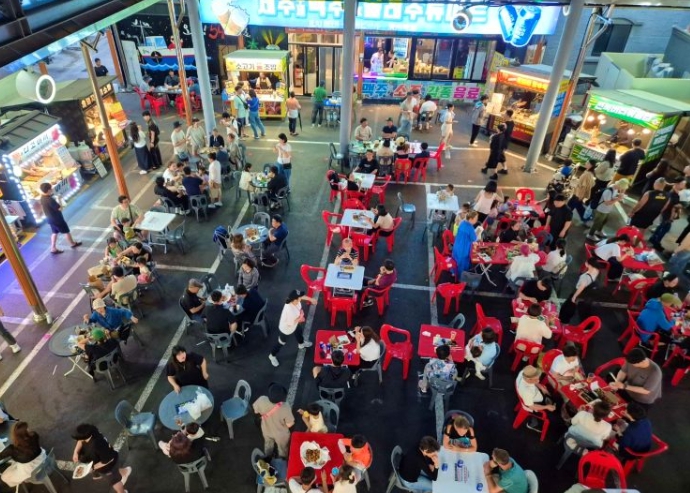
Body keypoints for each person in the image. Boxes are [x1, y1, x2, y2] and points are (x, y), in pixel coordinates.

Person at [72, 424, 131, 493]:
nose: (77, 440)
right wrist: (76, 452)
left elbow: (108, 460)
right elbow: (80, 441)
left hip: (108, 466)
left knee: (115, 482)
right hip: (100, 461)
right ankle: (125, 472)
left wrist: (92, 467)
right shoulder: (91, 431)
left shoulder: (98, 444)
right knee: (115, 472)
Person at [269, 290, 315, 367]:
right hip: (286, 329)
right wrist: (301, 317)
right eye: (299, 297)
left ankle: (301, 344)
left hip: (294, 324)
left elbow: (301, 297)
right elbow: (291, 323)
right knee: (281, 342)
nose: (301, 298)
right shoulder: (290, 310)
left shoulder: (294, 300)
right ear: (295, 300)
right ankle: (272, 355)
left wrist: (311, 299)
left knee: (299, 331)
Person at [253, 383, 295, 458]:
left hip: (266, 430)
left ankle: (268, 457)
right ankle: (282, 459)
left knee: (268, 445)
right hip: (280, 434)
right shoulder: (285, 407)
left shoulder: (262, 399)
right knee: (282, 449)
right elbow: (289, 424)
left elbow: (256, 411)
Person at [39, 182, 81, 254]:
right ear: (48, 190)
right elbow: (60, 208)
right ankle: (72, 244)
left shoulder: (42, 198)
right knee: (66, 231)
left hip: (50, 219)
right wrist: (59, 199)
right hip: (57, 219)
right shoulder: (50, 200)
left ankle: (53, 248)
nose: (52, 189)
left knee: (54, 232)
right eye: (51, 188)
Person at [0, 421, 45, 488]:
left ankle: (25, 479)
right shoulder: (34, 436)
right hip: (42, 460)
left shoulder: (12, 449)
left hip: (29, 470)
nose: (29, 429)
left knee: (4, 477)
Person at [559, 256, 601, 324]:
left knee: (567, 308)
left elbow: (581, 287)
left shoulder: (585, 277)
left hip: (578, 292)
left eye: (586, 262)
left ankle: (563, 321)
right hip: (586, 294)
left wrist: (574, 297)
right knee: (572, 307)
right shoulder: (597, 271)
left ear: (589, 264)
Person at [516, 365, 556, 432]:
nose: (538, 380)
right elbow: (531, 406)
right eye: (536, 379)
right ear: (529, 379)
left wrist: (541, 387)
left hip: (534, 395)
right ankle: (533, 423)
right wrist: (546, 407)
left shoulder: (524, 372)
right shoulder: (527, 392)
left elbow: (534, 382)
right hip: (533, 403)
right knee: (553, 418)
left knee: (552, 395)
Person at [649, 177, 685, 249]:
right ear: (677, 184)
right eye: (682, 184)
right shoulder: (673, 193)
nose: (684, 185)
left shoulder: (677, 192)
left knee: (662, 226)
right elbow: (672, 205)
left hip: (668, 212)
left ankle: (653, 238)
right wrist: (672, 216)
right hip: (668, 213)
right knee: (665, 228)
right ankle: (656, 242)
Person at [452, 210, 479, 275]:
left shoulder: (462, 222)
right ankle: (460, 275)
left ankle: (453, 272)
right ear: (471, 219)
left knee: (455, 260)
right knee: (462, 263)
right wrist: (477, 233)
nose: (476, 220)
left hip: (457, 246)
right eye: (476, 219)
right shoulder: (470, 228)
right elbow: (474, 239)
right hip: (463, 249)